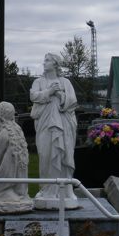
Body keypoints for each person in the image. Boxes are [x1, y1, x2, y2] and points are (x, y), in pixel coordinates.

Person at [30, 53, 78, 207]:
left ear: (56, 64)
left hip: (63, 125)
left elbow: (72, 101)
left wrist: (60, 94)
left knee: (63, 154)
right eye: (44, 60)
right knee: (45, 154)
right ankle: (47, 189)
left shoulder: (65, 82)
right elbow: (33, 96)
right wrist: (50, 92)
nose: (44, 63)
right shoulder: (39, 81)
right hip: (45, 123)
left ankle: (65, 190)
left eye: (48, 60)